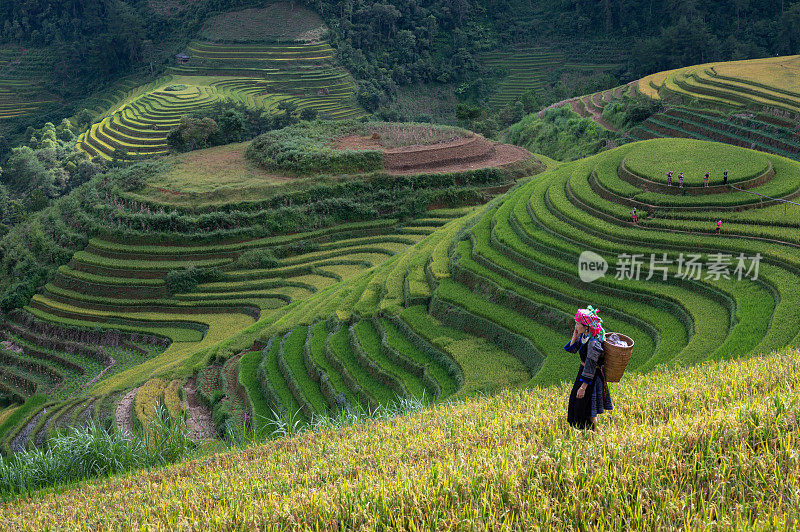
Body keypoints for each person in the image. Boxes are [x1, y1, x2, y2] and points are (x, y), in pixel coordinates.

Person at [564, 306, 612, 431]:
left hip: (591, 376)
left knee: (588, 406)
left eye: (577, 324)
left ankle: (594, 432)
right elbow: (572, 349)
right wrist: (575, 335)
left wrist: (583, 387)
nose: (575, 325)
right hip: (582, 372)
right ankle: (585, 432)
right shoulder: (584, 336)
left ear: (586, 326)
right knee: (576, 401)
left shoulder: (593, 343)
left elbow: (591, 365)